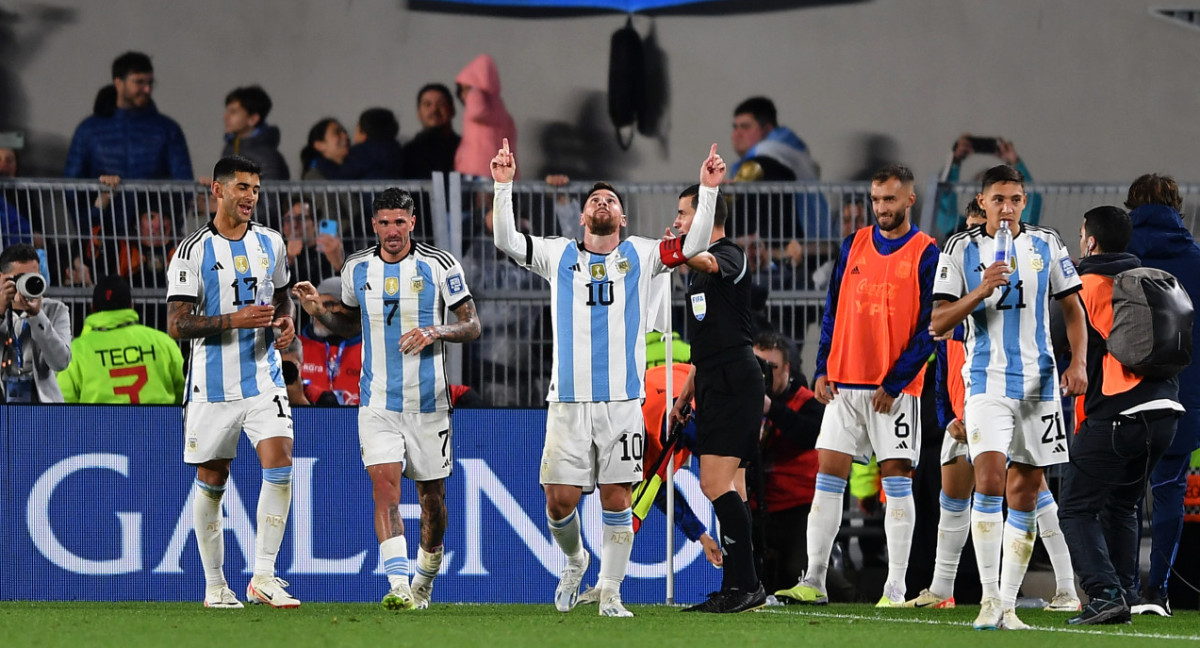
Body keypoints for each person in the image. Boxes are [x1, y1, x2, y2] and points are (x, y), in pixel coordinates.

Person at [490, 139, 719, 617]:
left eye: (611, 200)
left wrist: (708, 189)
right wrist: (503, 184)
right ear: (581, 216)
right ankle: (575, 560)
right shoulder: (557, 255)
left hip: (622, 401)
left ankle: (611, 591)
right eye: (595, 198)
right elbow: (507, 241)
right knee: (559, 500)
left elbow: (694, 244)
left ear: (623, 219)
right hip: (568, 400)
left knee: (618, 498)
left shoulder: (642, 255)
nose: (602, 202)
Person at [292, 187, 480, 610]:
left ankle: (424, 580)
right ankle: (398, 586)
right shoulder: (357, 268)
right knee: (385, 487)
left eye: (400, 222)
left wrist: (435, 331)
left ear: (412, 222)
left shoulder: (439, 265)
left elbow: (471, 326)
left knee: (432, 499)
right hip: (377, 403)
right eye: (384, 223)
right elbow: (347, 324)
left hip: (429, 403)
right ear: (373, 225)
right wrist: (317, 311)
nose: (392, 231)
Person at [930, 164, 1088, 630]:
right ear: (982, 202)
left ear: (1023, 201)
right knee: (991, 478)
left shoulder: (1047, 243)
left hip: (1040, 385)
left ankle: (1011, 607)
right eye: (998, 199)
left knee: (1025, 493)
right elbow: (938, 323)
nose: (1007, 207)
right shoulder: (960, 247)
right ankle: (989, 599)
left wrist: (1077, 363)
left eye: (1015, 199)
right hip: (986, 383)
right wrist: (981, 289)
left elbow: (1073, 311)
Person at [775, 165, 939, 609]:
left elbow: (932, 326)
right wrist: (823, 364)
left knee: (896, 483)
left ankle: (895, 589)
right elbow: (833, 307)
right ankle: (813, 580)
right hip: (844, 386)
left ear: (910, 199)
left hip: (895, 393)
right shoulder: (854, 244)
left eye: (889, 199)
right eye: (875, 200)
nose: (881, 208)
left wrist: (897, 380)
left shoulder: (927, 253)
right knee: (827, 478)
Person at [165, 155, 300, 609]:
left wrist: (285, 323)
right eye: (242, 187)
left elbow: (281, 298)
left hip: (264, 375)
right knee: (213, 477)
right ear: (217, 190)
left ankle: (263, 575)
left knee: (280, 461)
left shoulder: (271, 243)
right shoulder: (192, 251)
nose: (251, 197)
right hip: (211, 385)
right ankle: (215, 586)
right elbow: (177, 325)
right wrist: (234, 320)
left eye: (256, 190)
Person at [1058, 205, 1182, 625]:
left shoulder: (1084, 285)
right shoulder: (1147, 282)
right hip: (1165, 410)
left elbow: (1062, 344)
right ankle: (1125, 592)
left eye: (1080, 234)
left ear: (1090, 241)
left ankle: (1104, 592)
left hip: (1117, 413)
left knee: (1075, 507)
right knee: (1121, 506)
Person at [666, 179, 770, 614]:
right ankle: (738, 585)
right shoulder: (695, 276)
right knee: (735, 487)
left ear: (707, 218)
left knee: (712, 483)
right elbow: (703, 345)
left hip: (734, 378)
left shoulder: (729, 255)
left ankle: (745, 586)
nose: (677, 221)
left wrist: (674, 249)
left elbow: (706, 261)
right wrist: (685, 395)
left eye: (684, 214)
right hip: (713, 378)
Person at [1123, 173, 1200, 617]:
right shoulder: (1195, 259)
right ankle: (1158, 593)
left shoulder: (1121, 258)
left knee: (1125, 494)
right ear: (1178, 207)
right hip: (1182, 393)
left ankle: (1124, 589)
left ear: (1133, 206)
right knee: (1169, 489)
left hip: (1126, 391)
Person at [749, 331, 824, 595]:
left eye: (771, 367)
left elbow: (808, 434)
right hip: (757, 505)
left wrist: (771, 409)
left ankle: (846, 591)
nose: (764, 374)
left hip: (797, 507)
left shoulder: (807, 400)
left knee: (798, 574)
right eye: (757, 366)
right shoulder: (743, 403)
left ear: (787, 369)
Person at [63, 51, 193, 183]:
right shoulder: (88, 130)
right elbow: (71, 186)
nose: (147, 89)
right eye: (139, 82)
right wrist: (100, 199)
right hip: (105, 204)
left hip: (152, 204)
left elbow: (183, 183)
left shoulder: (168, 130)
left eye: (150, 83)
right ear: (119, 83)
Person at [57, 274, 184, 404]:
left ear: (92, 308)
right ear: (131, 305)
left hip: (102, 424)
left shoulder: (76, 352)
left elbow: (62, 403)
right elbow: (185, 390)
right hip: (160, 423)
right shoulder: (163, 343)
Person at [0, 243, 72, 403]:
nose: (27, 284)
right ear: (2, 278)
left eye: (33, 277)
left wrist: (37, 316)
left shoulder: (56, 310)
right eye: (20, 278)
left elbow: (60, 363)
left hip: (41, 410)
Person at [935, 134, 1042, 237]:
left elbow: (1031, 202)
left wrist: (1014, 162)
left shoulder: (1012, 228)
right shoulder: (960, 228)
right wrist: (954, 162)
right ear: (978, 197)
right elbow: (943, 205)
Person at [298, 276, 362, 406]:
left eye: (329, 304)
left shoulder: (369, 348)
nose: (319, 310)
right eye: (315, 303)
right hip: (308, 422)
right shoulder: (297, 346)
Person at [456, 55, 517, 178]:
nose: (463, 95)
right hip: (494, 169)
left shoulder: (479, 101)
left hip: (478, 168)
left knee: (481, 196)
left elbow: (476, 112)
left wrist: (474, 91)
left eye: (466, 88)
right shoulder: (500, 108)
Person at [313, 108, 403, 180]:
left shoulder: (363, 152)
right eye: (337, 132)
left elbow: (343, 174)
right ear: (319, 145)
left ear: (364, 133)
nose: (346, 136)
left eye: (356, 128)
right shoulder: (396, 149)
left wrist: (319, 163)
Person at [221, 85, 289, 181]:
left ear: (253, 119)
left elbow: (271, 193)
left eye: (233, 112)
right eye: (227, 111)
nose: (226, 117)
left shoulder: (267, 155)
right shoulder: (229, 148)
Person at [402, 83, 460, 179]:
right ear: (419, 113)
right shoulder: (408, 153)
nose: (434, 109)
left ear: (452, 110)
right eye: (427, 104)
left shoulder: (465, 149)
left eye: (441, 104)